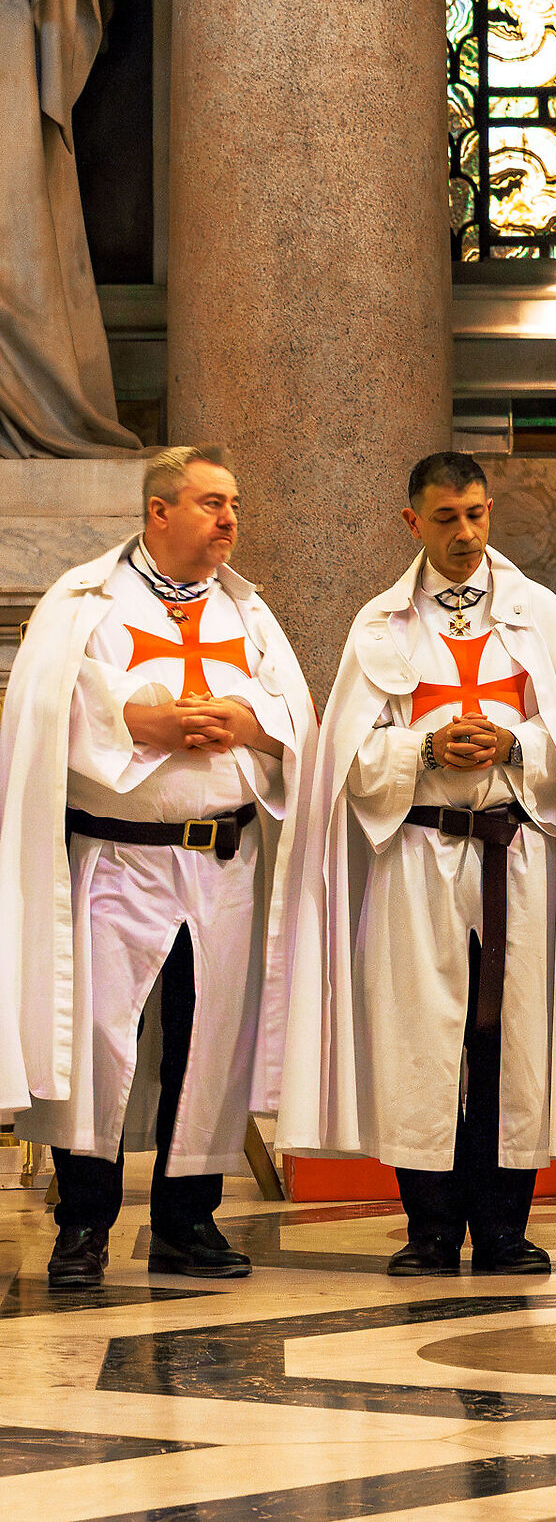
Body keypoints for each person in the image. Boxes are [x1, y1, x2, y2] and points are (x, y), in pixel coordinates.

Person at [270, 452, 556, 1275]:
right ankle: (431, 1230)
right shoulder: (380, 626)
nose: (465, 533)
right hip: (418, 856)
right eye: (446, 518)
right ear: (413, 523)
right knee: (422, 1041)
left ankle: (505, 1229)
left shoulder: (539, 616)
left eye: (476, 513)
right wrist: (424, 750)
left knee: (513, 1042)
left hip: (518, 853)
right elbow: (347, 759)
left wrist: (516, 742)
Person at [0, 446, 311, 1287]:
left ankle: (188, 1221)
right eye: (212, 502)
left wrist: (244, 721)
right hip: (118, 860)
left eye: (234, 503)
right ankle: (82, 1226)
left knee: (210, 1040)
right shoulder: (85, 602)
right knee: (100, 1041)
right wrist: (143, 722)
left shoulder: (248, 611)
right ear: (159, 511)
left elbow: (295, 711)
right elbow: (46, 705)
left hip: (222, 862)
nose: (230, 519)